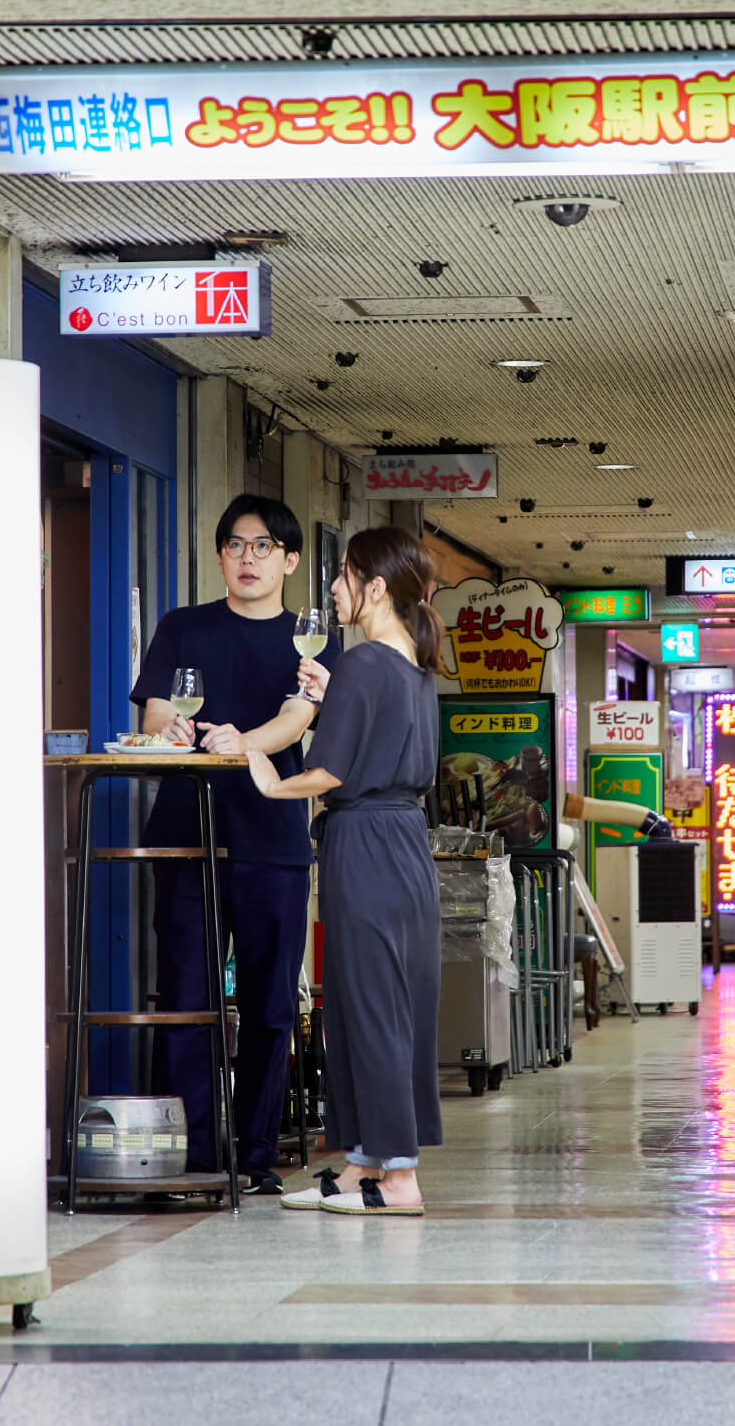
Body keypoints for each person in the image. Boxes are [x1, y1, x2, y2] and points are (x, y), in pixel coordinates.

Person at [129, 493, 341, 1195]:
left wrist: (238, 745)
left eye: (261, 547)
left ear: (289, 560)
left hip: (273, 836)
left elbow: (296, 718)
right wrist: (176, 733)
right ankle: (192, 1152)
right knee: (188, 996)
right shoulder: (183, 626)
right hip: (187, 832)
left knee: (270, 1004)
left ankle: (253, 1156)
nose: (246, 559)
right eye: (234, 545)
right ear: (219, 556)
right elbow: (159, 708)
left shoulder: (310, 638)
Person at [250, 526, 443, 1217]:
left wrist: (266, 777)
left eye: (343, 575)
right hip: (402, 844)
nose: (333, 588)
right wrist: (336, 692)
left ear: (376, 587)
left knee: (370, 1008)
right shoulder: (411, 669)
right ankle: (365, 1164)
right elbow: (380, 738)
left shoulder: (364, 664)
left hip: (364, 843)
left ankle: (399, 1180)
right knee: (383, 1004)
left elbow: (329, 770)